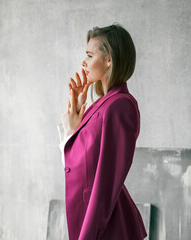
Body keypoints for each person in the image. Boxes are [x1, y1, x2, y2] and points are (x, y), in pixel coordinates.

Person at [58, 23, 148, 240]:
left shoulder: (120, 106)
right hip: (95, 221)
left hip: (107, 226)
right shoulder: (104, 105)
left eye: (89, 55)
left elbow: (107, 180)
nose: (83, 62)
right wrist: (74, 122)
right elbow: (76, 164)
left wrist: (88, 235)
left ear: (109, 60)